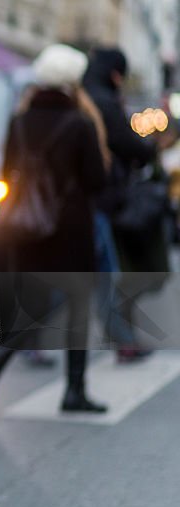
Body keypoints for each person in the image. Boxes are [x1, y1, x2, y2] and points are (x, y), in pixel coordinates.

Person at [0, 44, 108, 416]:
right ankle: (74, 391)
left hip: (27, 230)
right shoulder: (80, 123)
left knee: (30, 309)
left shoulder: (19, 121)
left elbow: (6, 175)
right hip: (71, 231)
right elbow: (96, 180)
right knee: (77, 307)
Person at [81, 47, 159, 362]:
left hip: (85, 202)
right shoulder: (103, 101)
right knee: (97, 275)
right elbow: (126, 143)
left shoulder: (85, 96)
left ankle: (122, 339)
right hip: (97, 202)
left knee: (90, 276)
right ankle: (122, 340)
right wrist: (148, 149)